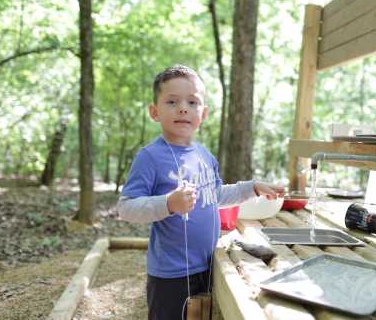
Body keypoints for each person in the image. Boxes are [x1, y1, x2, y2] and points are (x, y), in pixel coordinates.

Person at [117, 64, 284, 320]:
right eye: (172, 101)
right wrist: (168, 203)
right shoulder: (149, 157)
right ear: (154, 112)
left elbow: (215, 196)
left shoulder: (204, 155)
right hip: (170, 274)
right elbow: (126, 208)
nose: (183, 108)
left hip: (208, 265)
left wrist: (252, 187)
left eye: (192, 102)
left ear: (203, 113)